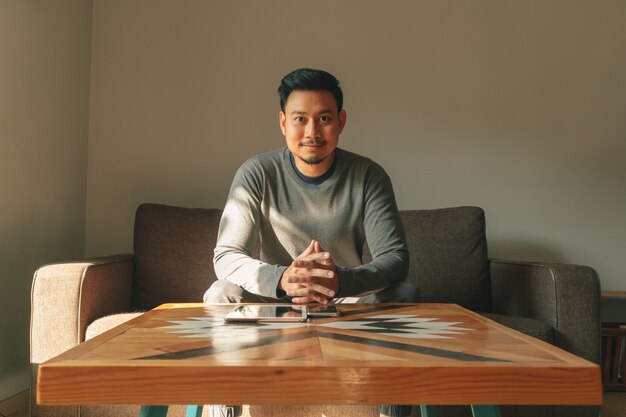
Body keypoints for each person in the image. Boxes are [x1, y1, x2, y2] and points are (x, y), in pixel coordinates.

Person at [204, 68, 416, 417]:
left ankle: (389, 411)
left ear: (341, 121)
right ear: (283, 122)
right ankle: (223, 408)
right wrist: (283, 279)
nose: (312, 132)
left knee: (405, 294)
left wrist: (339, 281)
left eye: (324, 118)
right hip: (274, 302)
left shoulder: (369, 176)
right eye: (300, 119)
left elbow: (395, 258)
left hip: (345, 302)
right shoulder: (255, 173)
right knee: (221, 293)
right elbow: (226, 255)